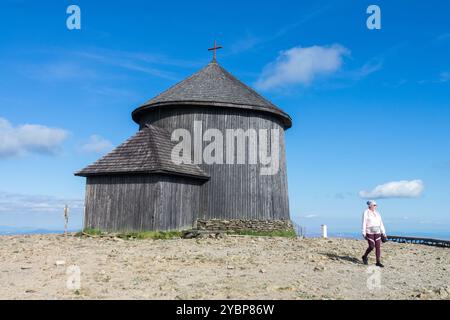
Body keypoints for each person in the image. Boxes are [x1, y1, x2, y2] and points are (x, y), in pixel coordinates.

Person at [361, 200, 386, 267]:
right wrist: (363, 232)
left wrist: (383, 232)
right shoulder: (366, 212)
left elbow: (381, 223)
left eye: (376, 205)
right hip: (369, 231)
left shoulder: (377, 213)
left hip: (377, 231)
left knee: (378, 247)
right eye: (374, 205)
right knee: (372, 246)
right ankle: (364, 256)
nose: (376, 206)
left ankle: (378, 262)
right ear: (370, 205)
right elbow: (364, 222)